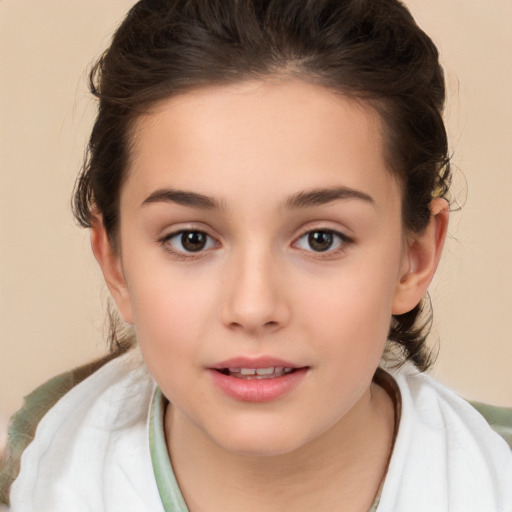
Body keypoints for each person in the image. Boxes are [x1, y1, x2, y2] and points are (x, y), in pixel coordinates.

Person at [1, 0, 511, 510]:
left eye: (321, 239)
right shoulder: (34, 473)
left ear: (415, 257)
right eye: (191, 239)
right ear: (115, 262)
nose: (253, 307)